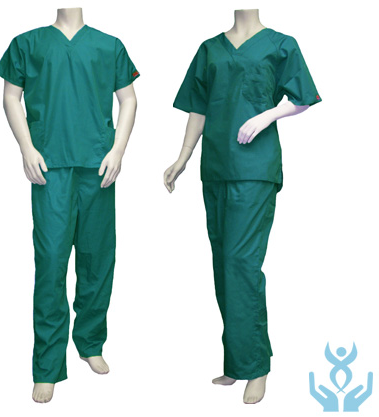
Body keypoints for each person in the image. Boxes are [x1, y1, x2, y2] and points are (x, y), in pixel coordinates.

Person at [164, 8, 321, 404]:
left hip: (254, 169)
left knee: (241, 264)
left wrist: (269, 115)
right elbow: (199, 107)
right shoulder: (210, 49)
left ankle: (256, 367)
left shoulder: (281, 45)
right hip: (215, 167)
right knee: (223, 265)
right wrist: (183, 157)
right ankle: (237, 361)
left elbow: (303, 97)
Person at [0, 7, 140, 403]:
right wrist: (26, 147)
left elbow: (128, 99)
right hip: (50, 166)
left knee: (97, 259)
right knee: (51, 263)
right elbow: (10, 96)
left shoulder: (109, 46)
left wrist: (118, 149)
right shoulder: (27, 44)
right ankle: (47, 366)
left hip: (98, 165)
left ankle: (90, 342)